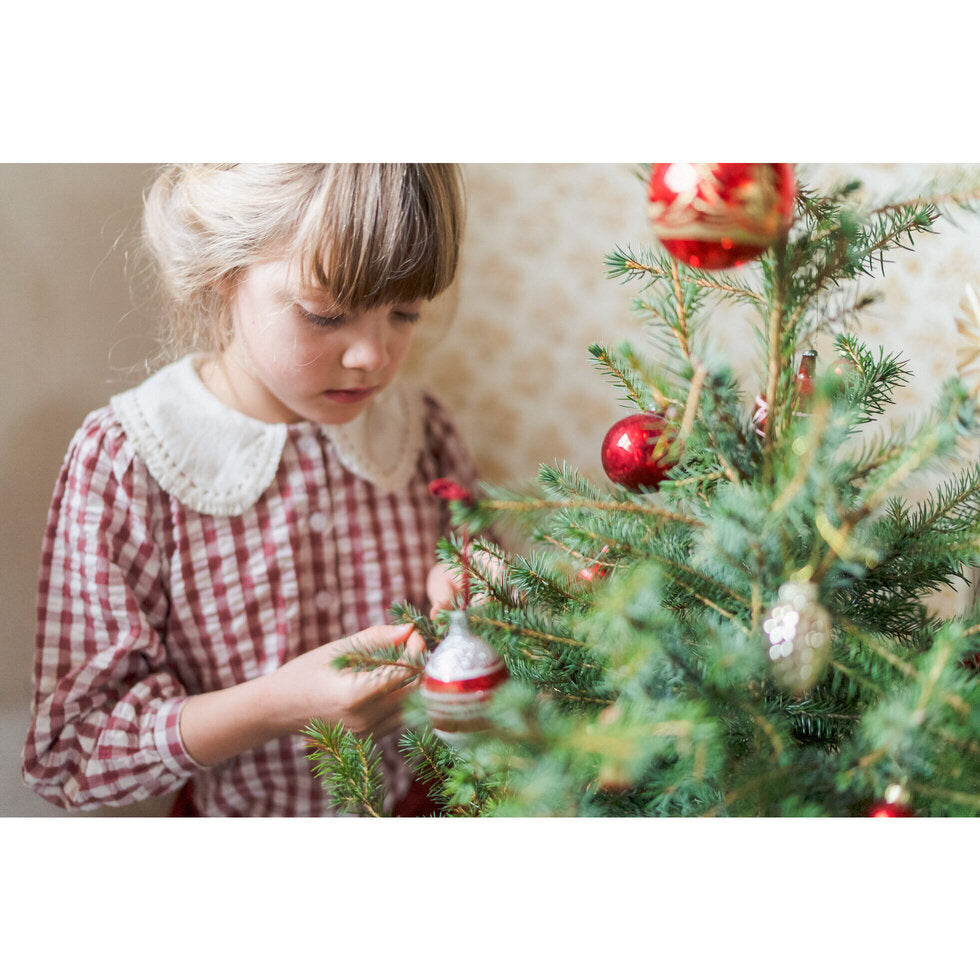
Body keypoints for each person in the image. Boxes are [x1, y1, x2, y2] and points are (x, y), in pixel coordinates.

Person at [22, 163, 474, 816]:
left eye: (405, 311)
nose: (373, 355)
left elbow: (477, 575)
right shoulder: (128, 460)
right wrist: (278, 705)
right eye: (327, 315)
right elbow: (70, 754)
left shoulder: (421, 426)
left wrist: (467, 584)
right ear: (224, 276)